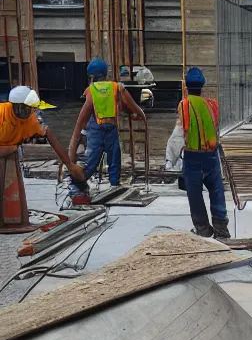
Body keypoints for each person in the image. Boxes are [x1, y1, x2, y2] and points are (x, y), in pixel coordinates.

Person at [0, 86, 84, 230]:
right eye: (24, 109)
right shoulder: (2, 113)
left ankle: (14, 219)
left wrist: (69, 165)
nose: (27, 113)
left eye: (30, 109)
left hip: (11, 153)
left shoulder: (30, 120)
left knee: (12, 188)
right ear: (15, 106)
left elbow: (48, 134)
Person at [68, 58, 147, 200]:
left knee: (91, 163)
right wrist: (139, 115)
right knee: (114, 159)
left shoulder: (90, 91)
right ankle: (114, 187)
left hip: (95, 129)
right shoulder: (117, 88)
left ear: (91, 76)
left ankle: (77, 185)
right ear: (106, 73)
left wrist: (76, 139)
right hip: (111, 128)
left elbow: (82, 118)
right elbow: (133, 106)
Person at [177, 67, 230, 239]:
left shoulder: (184, 104)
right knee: (216, 190)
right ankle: (221, 229)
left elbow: (181, 131)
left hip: (193, 156)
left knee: (195, 194)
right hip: (211, 155)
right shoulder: (212, 105)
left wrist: (172, 156)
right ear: (202, 87)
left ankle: (203, 229)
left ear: (186, 87)